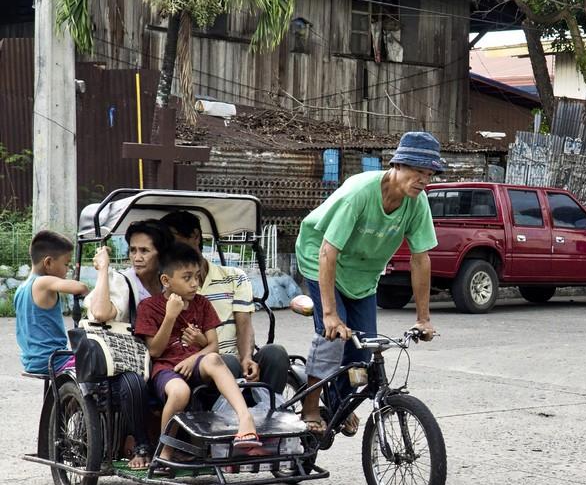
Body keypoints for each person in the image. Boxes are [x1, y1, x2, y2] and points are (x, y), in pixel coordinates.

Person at [294, 131, 440, 435]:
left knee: (363, 351)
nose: (424, 179)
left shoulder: (417, 203)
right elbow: (327, 251)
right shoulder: (360, 192)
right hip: (319, 256)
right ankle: (310, 411)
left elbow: (420, 259)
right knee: (333, 338)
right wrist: (331, 314)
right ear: (397, 165)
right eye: (417, 171)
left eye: (429, 173)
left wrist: (423, 318)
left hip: (362, 275)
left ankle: (338, 404)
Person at [134, 243, 261, 463]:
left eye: (197, 277)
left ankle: (245, 418)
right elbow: (154, 350)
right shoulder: (149, 306)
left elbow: (213, 345)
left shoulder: (201, 304)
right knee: (180, 392)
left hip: (196, 364)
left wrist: (194, 358)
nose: (195, 284)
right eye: (187, 278)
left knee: (213, 358)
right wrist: (170, 316)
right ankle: (165, 450)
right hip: (166, 368)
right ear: (166, 281)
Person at [162, 210, 290, 394]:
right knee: (225, 362)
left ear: (195, 237)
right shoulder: (173, 286)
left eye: (173, 239)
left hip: (235, 359)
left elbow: (244, 325)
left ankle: (270, 412)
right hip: (201, 365)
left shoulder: (233, 277)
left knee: (275, 353)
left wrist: (246, 357)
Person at [85, 219, 173, 468]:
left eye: (145, 251)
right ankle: (142, 445)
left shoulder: (169, 282)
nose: (137, 257)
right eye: (133, 250)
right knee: (133, 380)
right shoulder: (122, 281)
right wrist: (103, 270)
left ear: (161, 254)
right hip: (124, 363)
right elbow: (101, 313)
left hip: (161, 358)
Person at [14, 230, 89, 374]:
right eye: (66, 264)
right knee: (96, 363)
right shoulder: (43, 282)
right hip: (53, 359)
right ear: (48, 262)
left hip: (32, 360)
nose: (68, 269)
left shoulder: (21, 288)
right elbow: (80, 287)